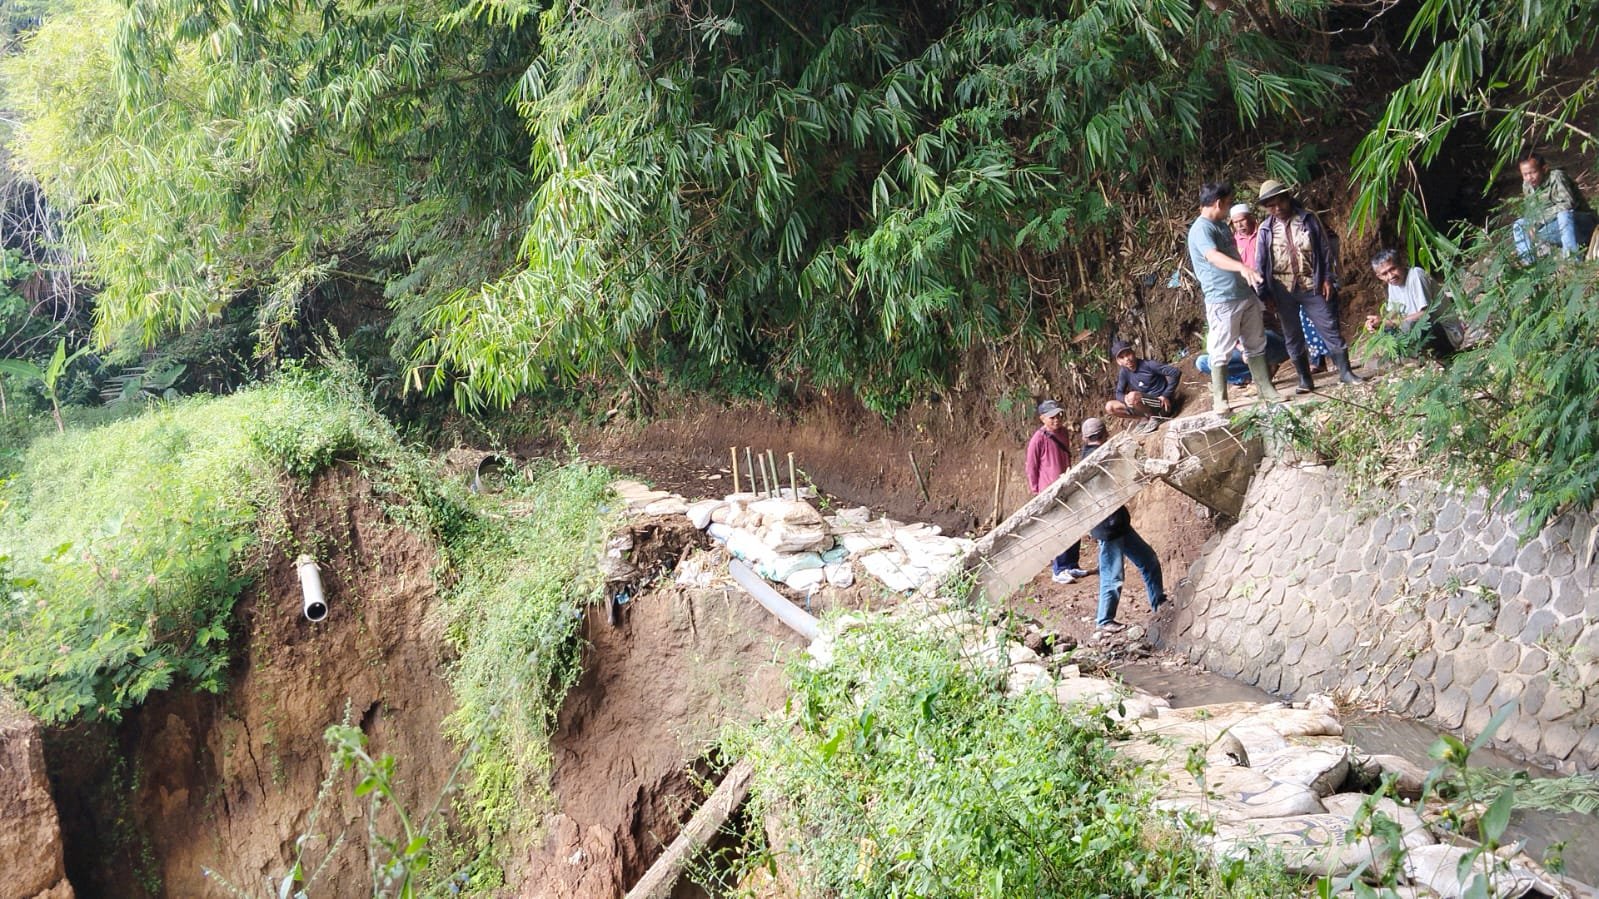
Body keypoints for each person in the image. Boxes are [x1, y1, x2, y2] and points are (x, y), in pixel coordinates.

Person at [1254, 179, 1362, 390]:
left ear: (1287, 198)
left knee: (1329, 326)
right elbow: (1261, 263)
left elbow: (1325, 250)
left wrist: (1328, 278)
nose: (1277, 208)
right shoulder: (1265, 230)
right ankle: (1305, 378)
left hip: (1312, 283)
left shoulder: (1308, 219)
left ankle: (1345, 372)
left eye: (1280, 202)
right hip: (1282, 288)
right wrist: (1264, 294)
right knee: (1292, 334)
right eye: (1271, 205)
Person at [1187, 181, 1283, 415]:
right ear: (1218, 203)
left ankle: (1266, 388)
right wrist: (1242, 268)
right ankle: (1220, 399)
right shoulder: (1201, 229)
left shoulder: (1220, 225)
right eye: (1228, 204)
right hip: (1222, 298)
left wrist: (1246, 272)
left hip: (1244, 293)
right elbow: (1212, 257)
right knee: (1220, 348)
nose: (1229, 209)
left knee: (1255, 342)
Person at [1080, 417, 1166, 633]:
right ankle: (1104, 620)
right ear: (1105, 434)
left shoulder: (1088, 458)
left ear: (1085, 438)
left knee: (1148, 560)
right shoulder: (1099, 460)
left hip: (1116, 524)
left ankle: (1160, 604)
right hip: (1108, 528)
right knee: (1113, 574)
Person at [1236, 200, 1329, 373]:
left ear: (1251, 218)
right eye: (1235, 222)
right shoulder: (1236, 241)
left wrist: (1326, 277)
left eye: (1242, 220)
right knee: (1289, 329)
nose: (1240, 225)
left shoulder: (1264, 232)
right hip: (1259, 290)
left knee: (1309, 320)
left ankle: (1318, 360)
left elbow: (1321, 249)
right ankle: (1299, 368)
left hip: (1296, 282)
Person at [1024, 399, 1089, 584]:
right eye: (1052, 417)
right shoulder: (1039, 438)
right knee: (1058, 529)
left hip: (1066, 484)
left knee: (1074, 524)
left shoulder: (1063, 433)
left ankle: (1072, 564)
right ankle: (1059, 569)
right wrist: (1036, 490)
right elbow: (1032, 465)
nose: (1056, 420)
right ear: (1042, 418)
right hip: (1049, 490)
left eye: (1058, 415)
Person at [1366, 249, 1463, 358]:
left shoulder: (1416, 275)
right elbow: (1393, 313)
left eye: (1392, 269)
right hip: (1424, 330)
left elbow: (1425, 315)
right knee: (1386, 329)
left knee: (1411, 324)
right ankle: (1419, 357)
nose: (1390, 276)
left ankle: (1440, 354)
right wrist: (1378, 323)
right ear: (1379, 276)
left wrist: (1389, 322)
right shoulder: (1392, 284)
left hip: (1447, 333)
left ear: (1401, 264)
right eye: (1384, 274)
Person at [1512, 151, 1595, 262]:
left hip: (1582, 223)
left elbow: (1568, 204)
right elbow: (1531, 210)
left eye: (1533, 172)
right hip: (1553, 225)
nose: (1529, 178)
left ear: (1544, 168)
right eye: (1525, 174)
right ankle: (1529, 265)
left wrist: (1539, 219)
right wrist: (1531, 222)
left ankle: (1573, 259)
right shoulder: (1527, 186)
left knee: (1563, 215)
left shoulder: (1556, 177)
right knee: (1519, 224)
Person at [1105, 338, 1180, 421]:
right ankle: (1143, 419)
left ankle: (1155, 419)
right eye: (1122, 357)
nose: (1127, 359)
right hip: (1143, 405)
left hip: (1161, 404)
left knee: (1133, 396)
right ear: (1119, 362)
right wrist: (1124, 398)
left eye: (1128, 354)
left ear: (1133, 353)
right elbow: (1118, 393)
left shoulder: (1149, 365)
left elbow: (1175, 372)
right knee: (1110, 407)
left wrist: (1165, 395)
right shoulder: (1124, 372)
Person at [1196, 329, 1290, 386]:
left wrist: (1242, 349)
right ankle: (1245, 379)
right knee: (1202, 362)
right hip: (1242, 350)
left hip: (1270, 342)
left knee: (1213, 360)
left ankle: (1265, 369)